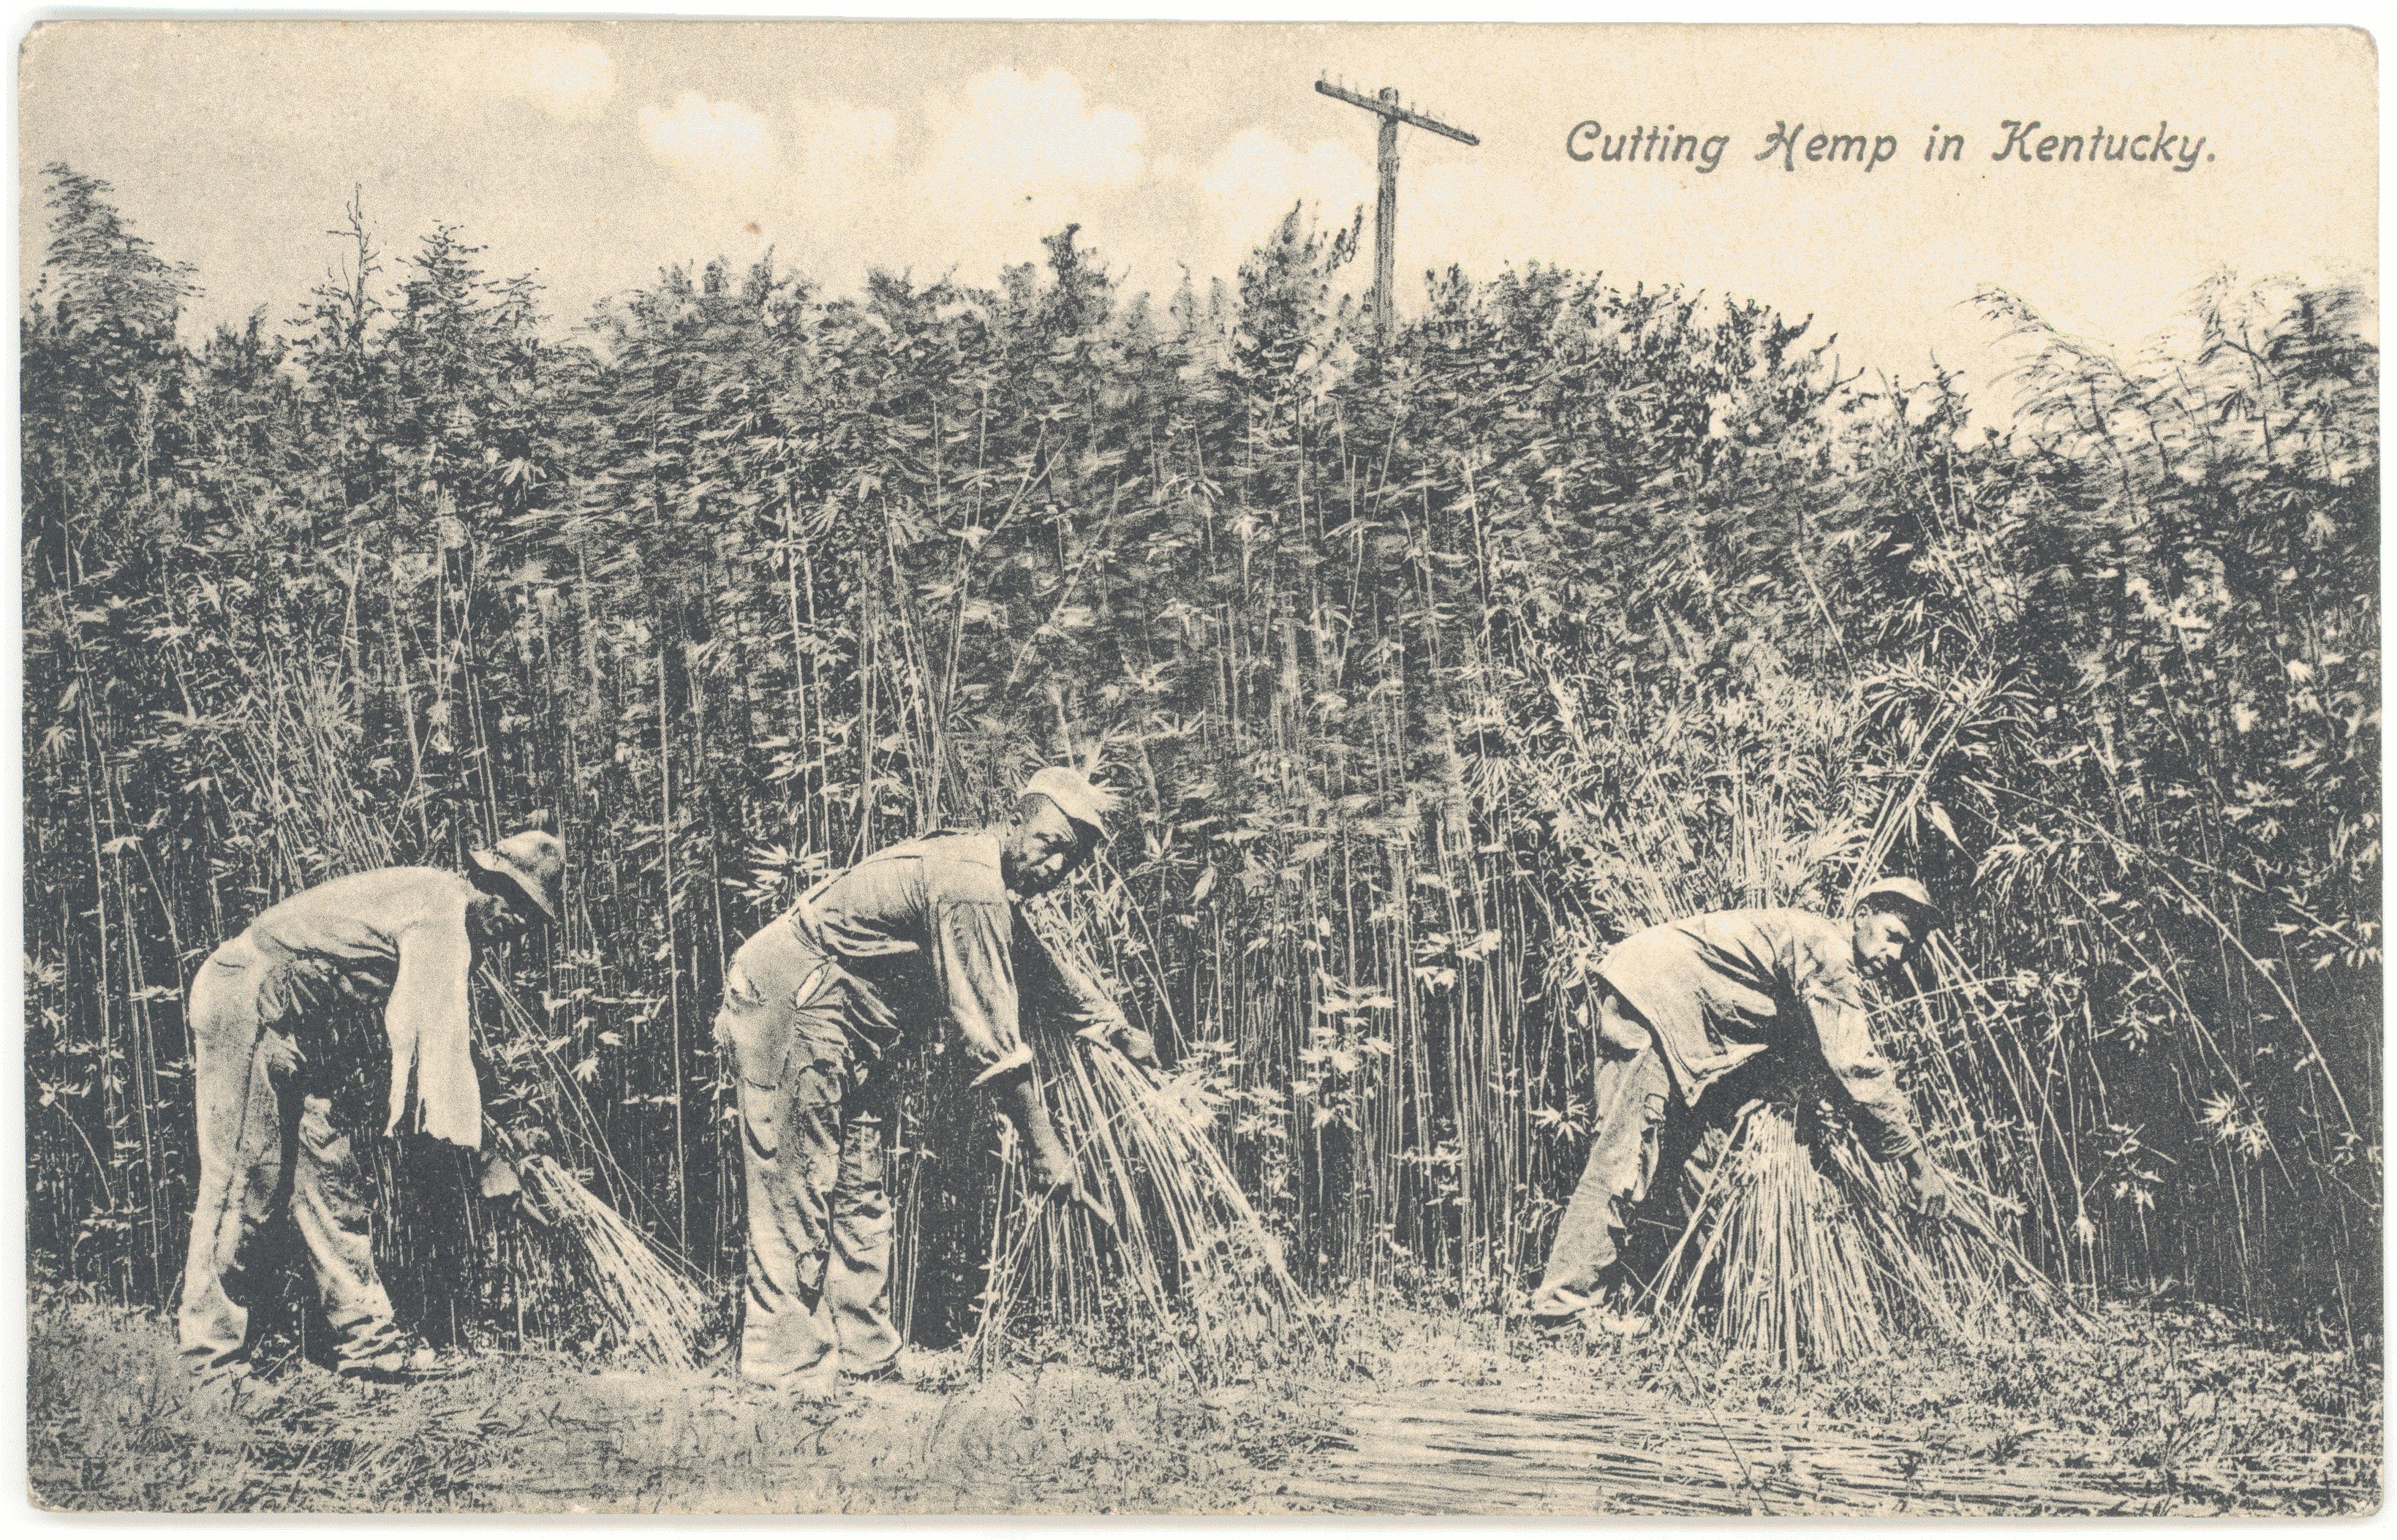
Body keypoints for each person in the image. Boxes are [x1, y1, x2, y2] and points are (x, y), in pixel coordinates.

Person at [715, 766, 1152, 1398]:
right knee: (796, 1181)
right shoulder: (969, 884)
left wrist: (1115, 1029)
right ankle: (782, 1371)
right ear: (1019, 819)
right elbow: (995, 1040)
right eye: (1052, 843)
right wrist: (1045, 1148)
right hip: (792, 998)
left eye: (1074, 860)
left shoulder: (987, 882)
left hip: (849, 1025)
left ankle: (866, 1357)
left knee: (859, 1184)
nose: (1058, 866)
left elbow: (1038, 968)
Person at [177, 828, 563, 1383]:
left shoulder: (454, 927)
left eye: (532, 914)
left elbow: (453, 1047)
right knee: (241, 1179)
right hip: (247, 996)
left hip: (300, 1022)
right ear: (484, 879)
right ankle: (210, 1362)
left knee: (328, 1173)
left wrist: (498, 1145)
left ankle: (366, 1345)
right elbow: (442, 1067)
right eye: (514, 900)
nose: (519, 922)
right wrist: (487, 1164)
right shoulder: (439, 916)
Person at [1529, 876, 1952, 1331]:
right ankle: (1564, 1307)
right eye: (1892, 936)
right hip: (1653, 1002)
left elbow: (1819, 1062)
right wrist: (1916, 1165)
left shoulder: (1809, 943)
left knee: (1692, 1161)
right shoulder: (1829, 948)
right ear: (1862, 914)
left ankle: (1669, 1296)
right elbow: (1856, 1065)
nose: (1895, 956)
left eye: (1907, 949)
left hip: (1669, 1012)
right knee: (1623, 1156)